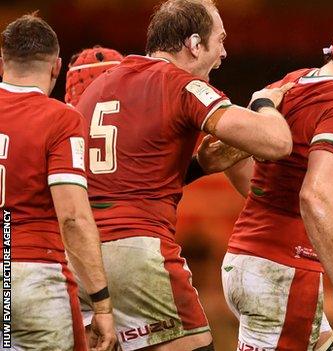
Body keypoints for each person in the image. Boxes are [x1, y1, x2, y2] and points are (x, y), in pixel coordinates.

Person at [74, 0, 293, 349]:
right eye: (219, 39)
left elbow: (118, 177)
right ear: (194, 44)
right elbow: (276, 142)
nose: (224, 52)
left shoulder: (96, 89)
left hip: (82, 256)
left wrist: (199, 166)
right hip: (139, 252)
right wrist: (264, 103)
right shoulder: (180, 85)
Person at [223, 6, 333, 350]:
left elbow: (227, 155)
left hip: (248, 261)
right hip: (283, 271)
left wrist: (269, 208)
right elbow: (315, 195)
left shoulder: (291, 82)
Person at [0, 14, 116, 351]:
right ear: (56, 67)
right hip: (34, 276)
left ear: (2, 63)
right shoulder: (60, 119)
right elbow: (73, 218)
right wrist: (101, 303)